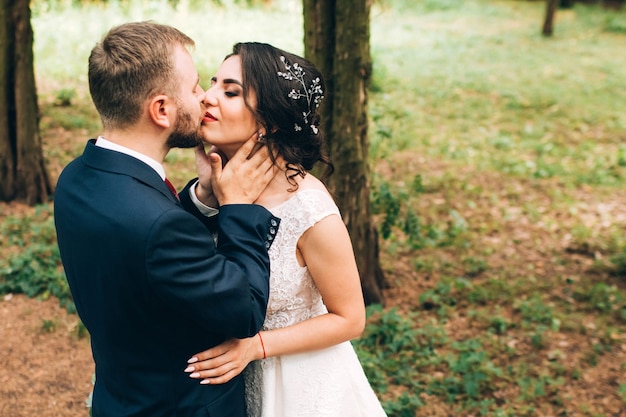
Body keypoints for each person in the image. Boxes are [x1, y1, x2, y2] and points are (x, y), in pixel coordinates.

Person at [53, 23, 281, 417]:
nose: (205, 98)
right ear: (161, 110)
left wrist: (202, 198)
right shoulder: (157, 225)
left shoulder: (76, 177)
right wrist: (238, 209)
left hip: (118, 397)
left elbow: (144, 254)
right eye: (194, 88)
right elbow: (244, 310)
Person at [183, 42, 387, 416]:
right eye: (212, 84)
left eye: (230, 92)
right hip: (224, 387)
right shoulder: (216, 183)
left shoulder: (308, 207)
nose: (207, 98)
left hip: (298, 387)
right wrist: (207, 194)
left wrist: (255, 346)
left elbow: (350, 318)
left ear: (270, 122)